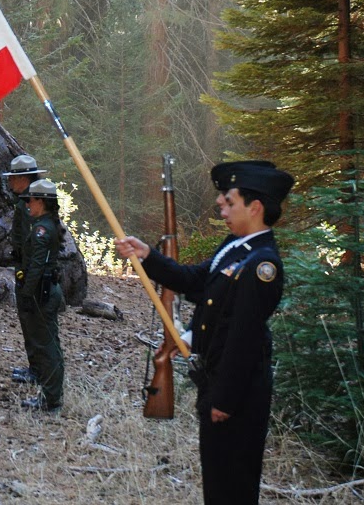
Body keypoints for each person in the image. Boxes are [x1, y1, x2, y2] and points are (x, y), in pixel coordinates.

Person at [115, 160, 294, 505]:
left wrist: (224, 400)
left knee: (233, 484)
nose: (220, 207)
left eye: (229, 202)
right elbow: (197, 282)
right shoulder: (236, 247)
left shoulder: (261, 264)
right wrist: (149, 255)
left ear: (254, 207)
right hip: (216, 383)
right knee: (218, 480)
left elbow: (244, 337)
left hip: (237, 396)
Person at [17, 178, 64, 413]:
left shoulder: (41, 230)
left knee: (46, 347)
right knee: (49, 344)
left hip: (41, 293)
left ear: (41, 202)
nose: (27, 205)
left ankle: (51, 399)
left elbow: (36, 266)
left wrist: (26, 294)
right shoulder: (45, 225)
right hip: (45, 290)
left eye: (30, 200)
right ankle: (51, 396)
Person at [2, 154, 46, 384]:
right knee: (29, 323)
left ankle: (41, 372)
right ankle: (35, 368)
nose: (10, 182)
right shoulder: (26, 201)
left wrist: (30, 279)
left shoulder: (33, 204)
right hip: (25, 271)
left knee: (37, 325)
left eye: (13, 178)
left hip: (33, 274)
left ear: (24, 178)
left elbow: (36, 245)